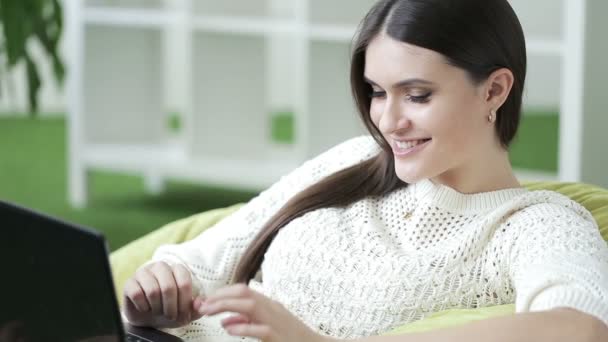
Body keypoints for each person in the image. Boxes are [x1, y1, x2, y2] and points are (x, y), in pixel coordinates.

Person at [121, 0, 608, 341]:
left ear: (495, 91)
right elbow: (203, 258)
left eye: (418, 95)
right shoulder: (354, 159)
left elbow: (579, 328)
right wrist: (162, 284)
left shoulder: (534, 225)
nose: (388, 122)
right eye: (377, 91)